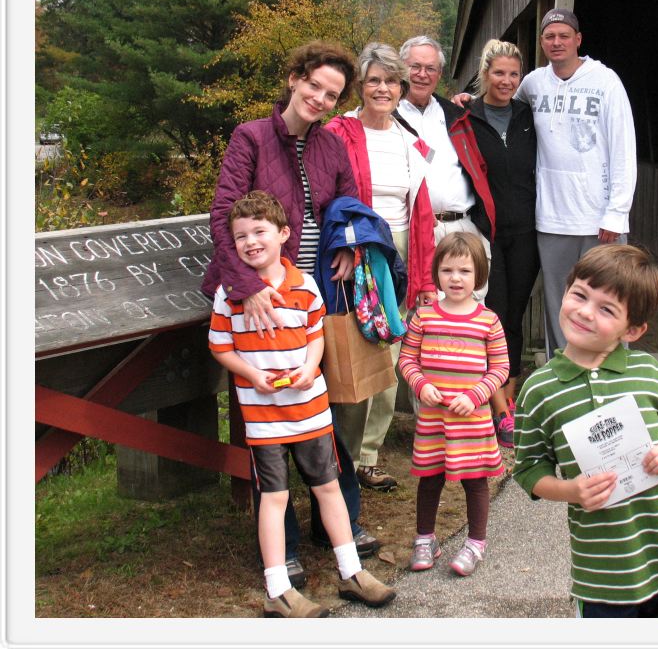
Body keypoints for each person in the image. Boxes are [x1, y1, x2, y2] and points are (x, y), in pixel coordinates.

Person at [201, 39, 381, 591]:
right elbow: (223, 213)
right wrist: (247, 285)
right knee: (269, 427)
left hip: (312, 300)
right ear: (294, 77)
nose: (320, 99)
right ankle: (288, 552)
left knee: (318, 415)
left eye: (331, 94)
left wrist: (350, 248)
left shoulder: (331, 147)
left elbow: (349, 206)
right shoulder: (252, 136)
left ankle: (341, 526)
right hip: (255, 302)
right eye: (314, 86)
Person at [208, 191, 395, 617]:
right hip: (263, 417)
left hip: (310, 408)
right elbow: (220, 346)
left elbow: (315, 335)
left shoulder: (306, 285)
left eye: (260, 231)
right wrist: (253, 376)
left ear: (284, 234)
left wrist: (312, 368)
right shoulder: (229, 294)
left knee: (328, 487)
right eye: (241, 237)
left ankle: (351, 571)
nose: (251, 242)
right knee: (273, 497)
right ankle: (278, 590)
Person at [511, 244, 658, 618]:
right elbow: (528, 469)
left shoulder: (651, 374)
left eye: (606, 309)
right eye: (579, 294)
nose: (584, 311)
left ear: (634, 329)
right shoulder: (539, 390)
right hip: (602, 570)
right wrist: (570, 490)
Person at [454, 9, 637, 359]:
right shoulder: (533, 83)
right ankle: (562, 382)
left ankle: (612, 380)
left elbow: (624, 149)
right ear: (542, 43)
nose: (556, 42)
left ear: (578, 39)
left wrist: (617, 213)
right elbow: (501, 104)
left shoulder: (606, 81)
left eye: (563, 35)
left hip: (600, 221)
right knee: (562, 308)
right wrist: (466, 102)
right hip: (551, 220)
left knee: (610, 302)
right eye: (549, 36)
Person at [324, 42, 437, 492]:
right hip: (358, 252)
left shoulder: (410, 141)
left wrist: (425, 279)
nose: (383, 88)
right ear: (361, 86)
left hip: (400, 254)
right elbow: (332, 200)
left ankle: (369, 455)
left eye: (391, 81)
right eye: (374, 80)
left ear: (401, 87)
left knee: (392, 355)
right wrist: (348, 246)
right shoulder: (339, 132)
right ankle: (343, 457)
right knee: (357, 352)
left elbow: (422, 214)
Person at [398, 232, 509, 577]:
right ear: (437, 274)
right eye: (447, 271)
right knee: (429, 479)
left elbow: (501, 367)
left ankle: (476, 543)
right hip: (433, 419)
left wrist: (476, 396)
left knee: (475, 481)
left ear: (479, 275)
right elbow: (407, 360)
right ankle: (425, 539)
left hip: (472, 420)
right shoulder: (424, 317)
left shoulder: (487, 320)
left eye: (464, 271)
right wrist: (421, 384)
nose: (456, 279)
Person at [465, 39, 539, 448]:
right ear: (484, 74)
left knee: (515, 314)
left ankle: (507, 404)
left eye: (513, 74)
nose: (507, 81)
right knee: (492, 314)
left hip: (527, 231)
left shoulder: (529, 115)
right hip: (487, 232)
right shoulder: (466, 116)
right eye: (499, 73)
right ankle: (496, 409)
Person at [396, 35, 497, 301]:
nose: (422, 74)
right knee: (421, 313)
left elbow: (499, 103)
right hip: (416, 232)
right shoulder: (386, 115)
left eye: (430, 68)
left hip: (463, 226)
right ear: (400, 67)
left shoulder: (456, 113)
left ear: (440, 74)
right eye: (415, 66)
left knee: (471, 313)